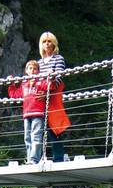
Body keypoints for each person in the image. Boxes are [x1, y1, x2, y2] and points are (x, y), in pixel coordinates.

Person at [7, 60, 55, 164]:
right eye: (30, 68)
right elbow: (14, 95)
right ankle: (30, 159)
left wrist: (51, 75)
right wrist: (11, 83)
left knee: (36, 136)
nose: (32, 71)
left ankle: (34, 160)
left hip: (38, 113)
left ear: (38, 71)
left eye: (35, 69)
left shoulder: (40, 81)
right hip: (26, 114)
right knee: (27, 137)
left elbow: (49, 86)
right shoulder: (24, 83)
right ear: (26, 71)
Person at [37, 31, 70, 162]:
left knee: (54, 128)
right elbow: (37, 81)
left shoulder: (58, 59)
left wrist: (46, 91)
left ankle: (58, 157)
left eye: (49, 41)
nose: (47, 44)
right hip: (39, 99)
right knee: (39, 129)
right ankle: (37, 158)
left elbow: (59, 78)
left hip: (52, 97)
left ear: (54, 43)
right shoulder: (39, 62)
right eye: (44, 41)